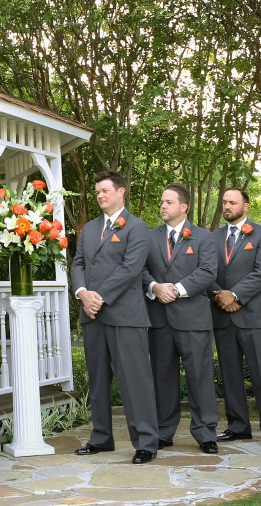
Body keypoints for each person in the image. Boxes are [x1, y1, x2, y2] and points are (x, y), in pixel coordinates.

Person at [71, 170, 159, 464]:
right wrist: (83, 292)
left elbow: (131, 268)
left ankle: (146, 442)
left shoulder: (137, 227)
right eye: (97, 191)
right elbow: (78, 264)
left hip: (125, 316)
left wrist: (99, 297)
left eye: (105, 190)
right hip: (92, 316)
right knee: (97, 381)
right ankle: (101, 438)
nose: (99, 195)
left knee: (135, 381)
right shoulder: (89, 228)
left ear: (121, 192)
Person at [142, 183, 219, 454]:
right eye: (161, 202)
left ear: (183, 207)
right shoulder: (148, 237)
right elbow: (139, 270)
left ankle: (205, 432)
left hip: (193, 320)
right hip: (159, 320)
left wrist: (175, 289)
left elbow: (208, 272)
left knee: (200, 377)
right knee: (162, 378)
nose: (162, 206)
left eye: (168, 202)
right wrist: (154, 287)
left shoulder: (203, 237)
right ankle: (164, 431)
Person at [209, 188, 261, 447]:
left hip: (254, 316)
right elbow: (206, 271)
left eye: (232, 202)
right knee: (229, 374)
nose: (227, 206)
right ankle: (238, 426)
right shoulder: (212, 237)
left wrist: (235, 295)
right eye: (225, 202)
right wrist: (219, 295)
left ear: (246, 206)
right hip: (222, 315)